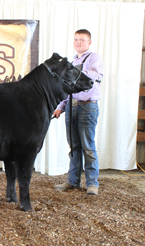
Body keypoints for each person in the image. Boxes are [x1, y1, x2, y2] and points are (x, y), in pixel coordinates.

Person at [53, 29, 103, 195]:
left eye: (82, 40)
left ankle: (92, 184)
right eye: (76, 40)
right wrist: (60, 107)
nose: (78, 42)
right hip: (71, 107)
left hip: (87, 106)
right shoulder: (73, 61)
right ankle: (72, 181)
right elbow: (67, 88)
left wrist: (72, 73)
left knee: (88, 146)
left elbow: (95, 75)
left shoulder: (93, 58)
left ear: (89, 42)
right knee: (74, 147)